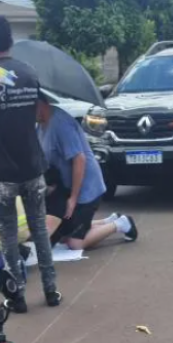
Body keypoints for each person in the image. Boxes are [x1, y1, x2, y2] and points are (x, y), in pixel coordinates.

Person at [0, 15, 61, 313]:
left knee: (7, 233)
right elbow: (36, 114)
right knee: (39, 230)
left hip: (1, 170)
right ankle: (51, 290)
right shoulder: (30, 73)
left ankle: (17, 295)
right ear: (10, 40)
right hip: (32, 165)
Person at [36, 95, 138, 249]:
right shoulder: (40, 126)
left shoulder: (61, 124)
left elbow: (79, 159)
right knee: (63, 236)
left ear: (40, 104)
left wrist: (73, 198)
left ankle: (121, 223)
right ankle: (108, 220)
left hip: (86, 189)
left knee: (74, 243)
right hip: (67, 188)